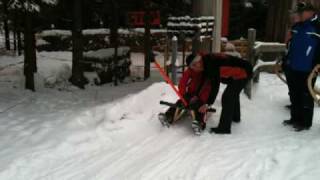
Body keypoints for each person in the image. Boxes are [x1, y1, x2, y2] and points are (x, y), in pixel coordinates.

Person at [185, 53, 253, 134]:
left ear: (197, 62)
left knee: (227, 97)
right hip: (236, 73)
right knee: (232, 94)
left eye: (193, 67)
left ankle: (224, 128)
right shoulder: (206, 62)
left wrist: (208, 103)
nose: (194, 70)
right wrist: (196, 95)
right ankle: (235, 117)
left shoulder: (210, 65)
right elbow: (204, 82)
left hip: (243, 71)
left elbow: (215, 86)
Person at [283, 2, 320, 131]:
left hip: (309, 69)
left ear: (311, 13)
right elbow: (289, 45)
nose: (299, 15)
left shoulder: (317, 27)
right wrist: (286, 60)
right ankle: (295, 118)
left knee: (305, 96)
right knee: (294, 94)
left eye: (302, 12)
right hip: (293, 67)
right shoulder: (297, 26)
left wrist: (317, 66)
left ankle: (305, 123)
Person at [159, 54, 212, 131]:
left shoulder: (207, 73)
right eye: (193, 66)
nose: (195, 67)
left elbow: (208, 89)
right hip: (191, 94)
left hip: (203, 96)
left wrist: (201, 100)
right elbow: (182, 83)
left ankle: (199, 123)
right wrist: (183, 95)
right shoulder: (190, 71)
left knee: (199, 107)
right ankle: (168, 116)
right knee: (180, 102)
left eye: (196, 64)